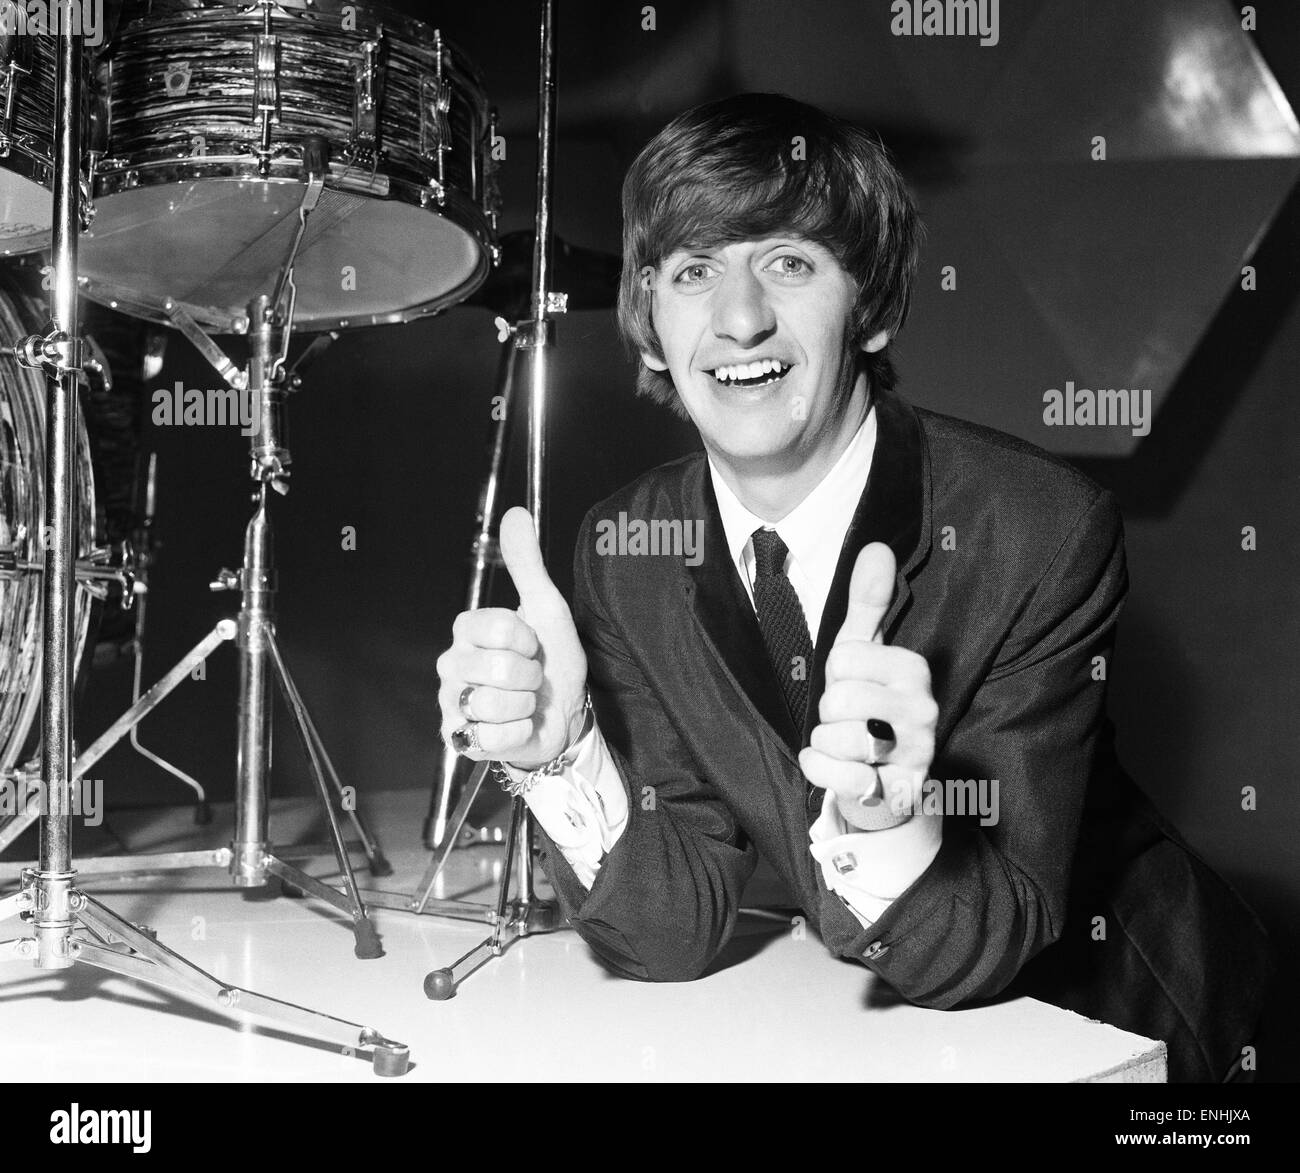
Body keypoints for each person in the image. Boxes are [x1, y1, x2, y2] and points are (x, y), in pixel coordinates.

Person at [435, 93, 1273, 1082]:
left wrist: (889, 829)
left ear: (869, 306)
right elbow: (671, 930)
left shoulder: (1038, 528)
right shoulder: (628, 553)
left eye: (788, 263)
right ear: (649, 327)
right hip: (884, 1031)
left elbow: (988, 931)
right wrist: (561, 758)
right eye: (695, 271)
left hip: (1124, 1030)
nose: (740, 318)